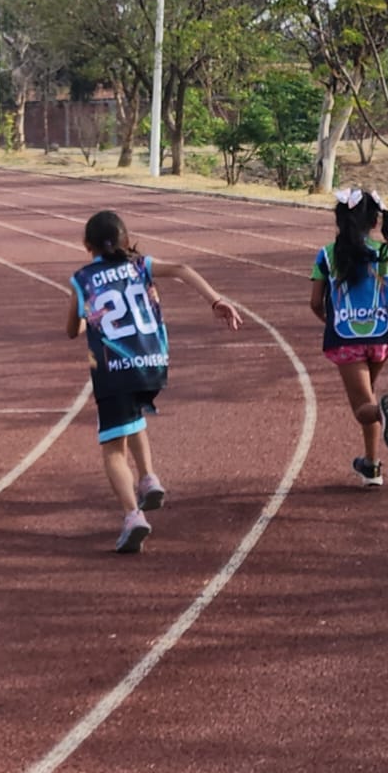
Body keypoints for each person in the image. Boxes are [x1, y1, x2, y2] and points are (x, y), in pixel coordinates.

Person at [66, 210, 242, 554]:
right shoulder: (139, 264)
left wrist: (89, 320)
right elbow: (182, 269)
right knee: (133, 418)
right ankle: (148, 479)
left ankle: (132, 515)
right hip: (152, 364)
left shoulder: (82, 278)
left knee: (112, 449)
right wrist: (215, 299)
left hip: (114, 369)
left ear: (86, 245)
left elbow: (72, 329)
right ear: (126, 240)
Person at [309, 187, 388, 487]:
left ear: (340, 220)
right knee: (367, 396)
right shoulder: (386, 253)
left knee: (363, 409)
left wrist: (329, 321)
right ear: (375, 221)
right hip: (382, 338)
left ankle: (384, 413)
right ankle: (371, 466)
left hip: (346, 339)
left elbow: (315, 303)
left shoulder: (327, 255)